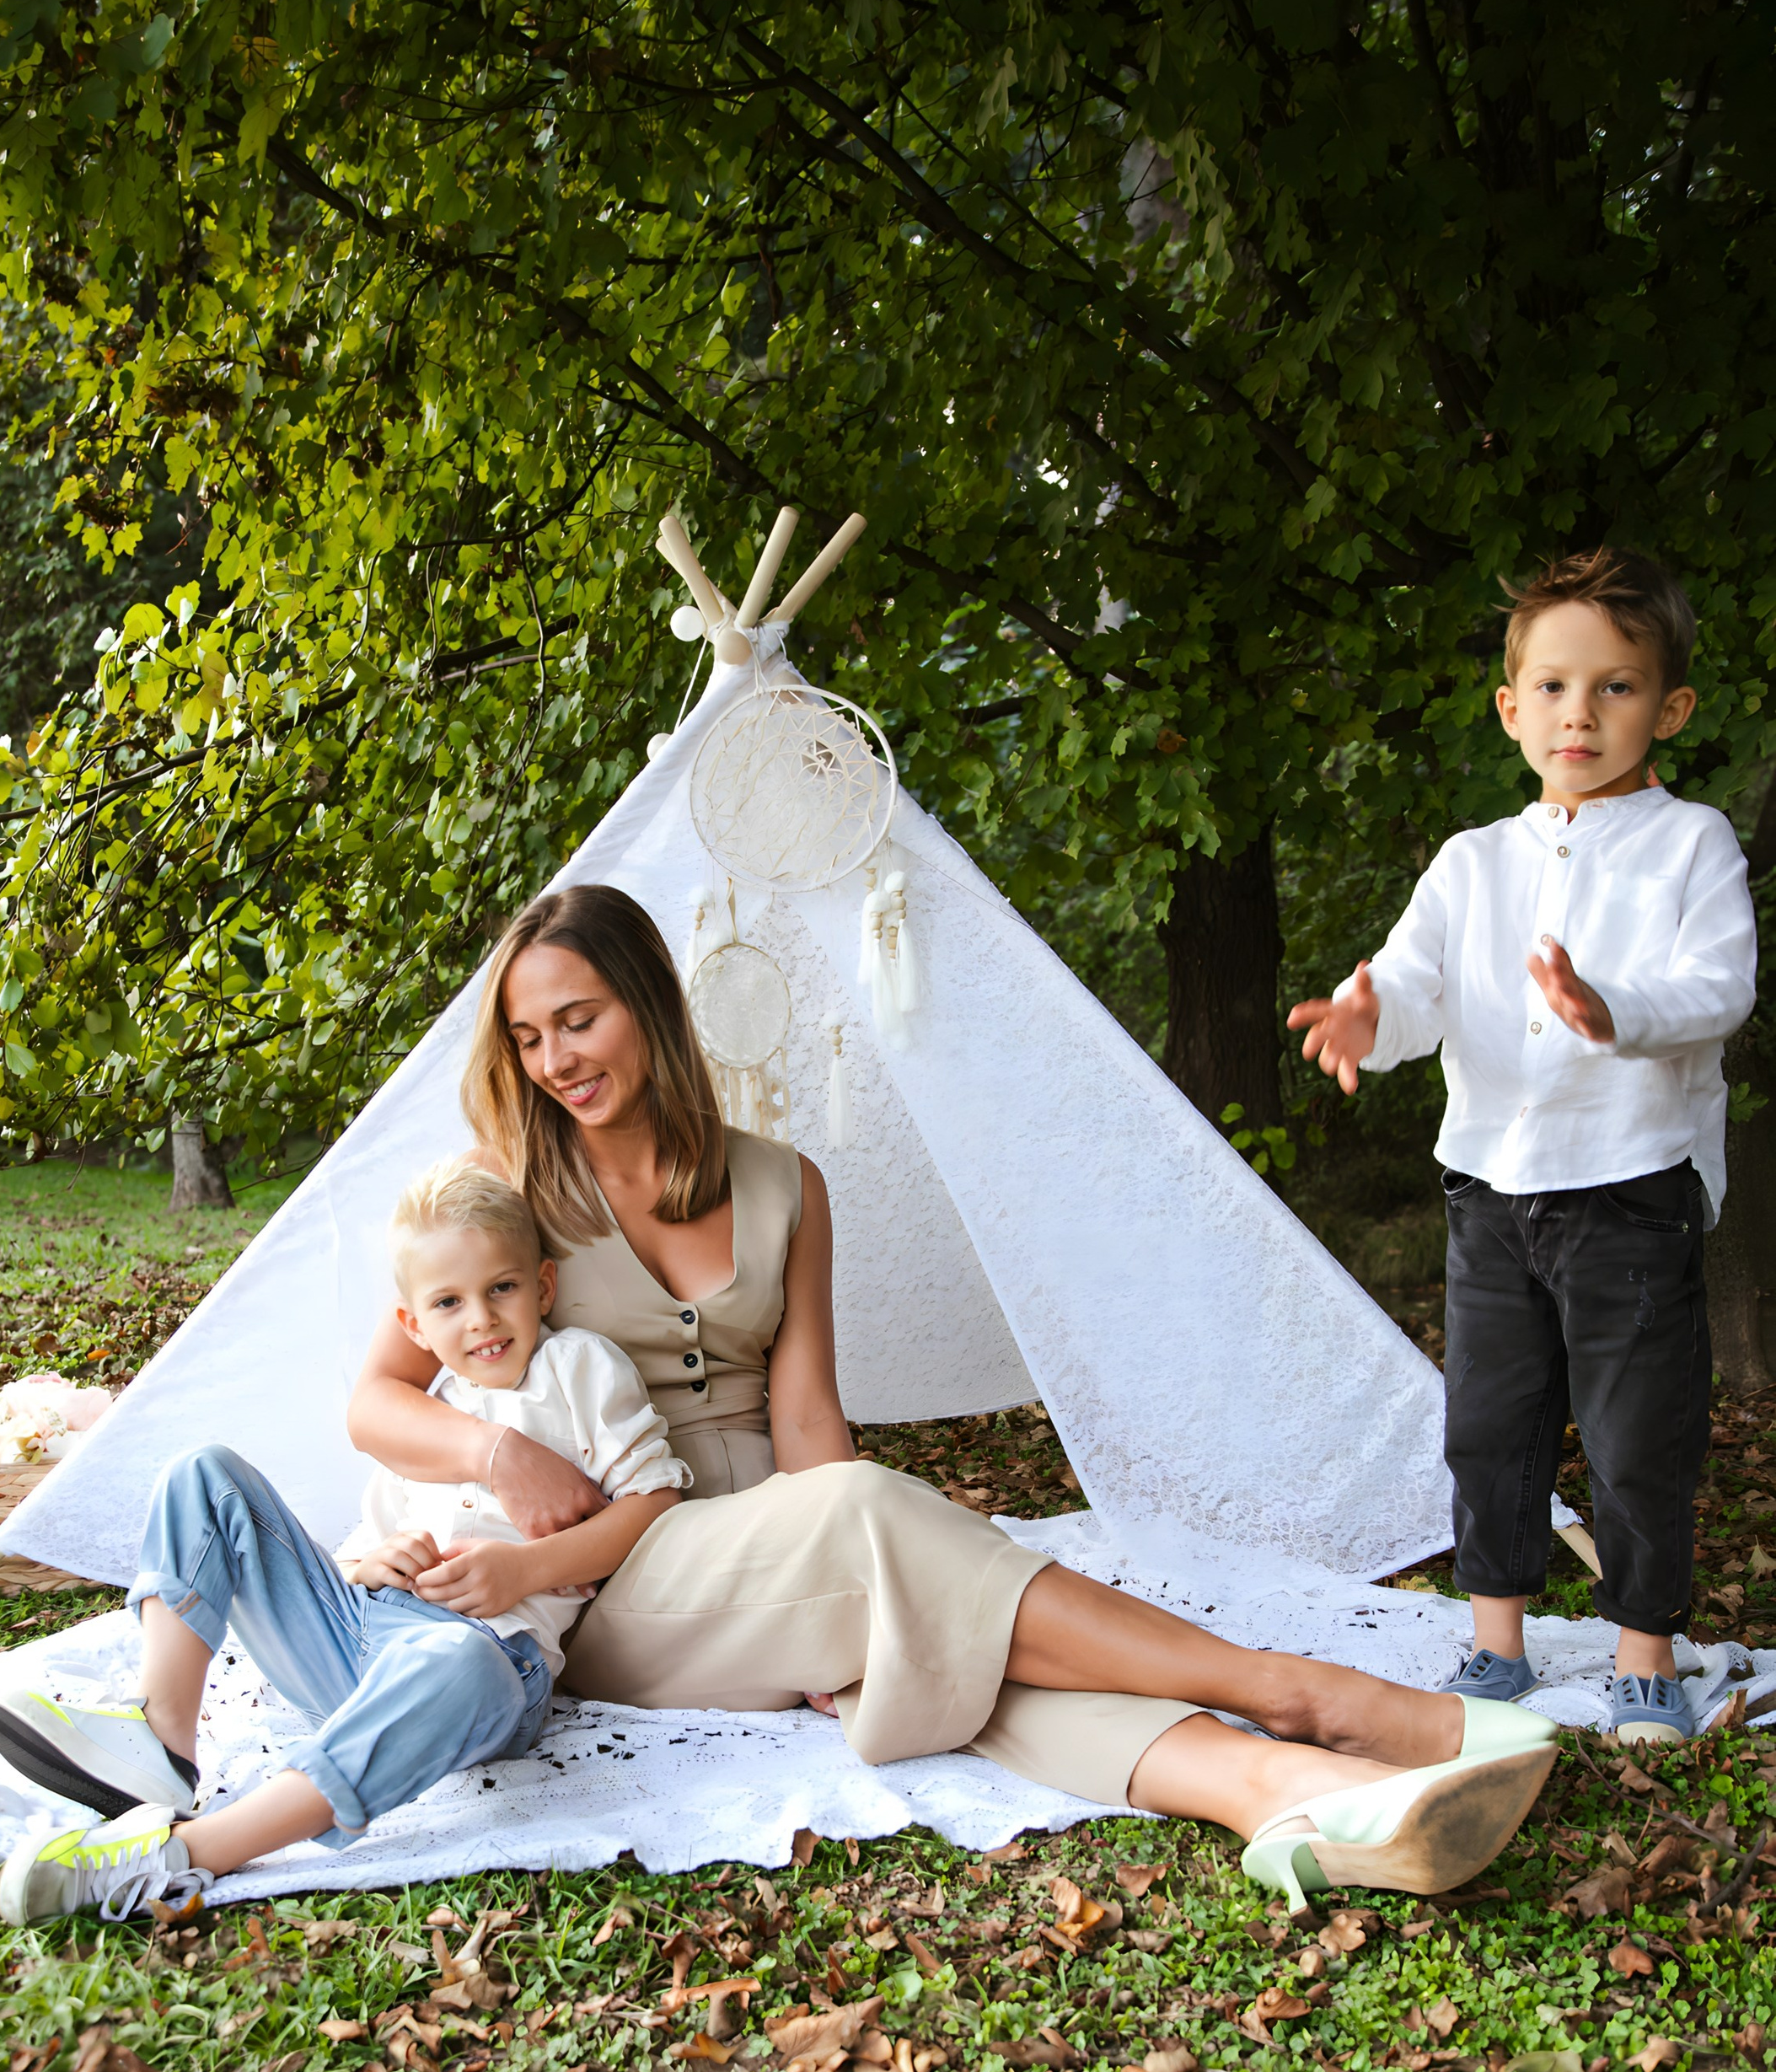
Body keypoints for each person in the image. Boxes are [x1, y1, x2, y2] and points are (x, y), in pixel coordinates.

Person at [347, 884, 1558, 1914]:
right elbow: (376, 1399)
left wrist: (830, 1601)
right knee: (879, 1533)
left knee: (935, 1632)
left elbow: (809, 1417)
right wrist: (496, 1460)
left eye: (580, 1019)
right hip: (618, 1582)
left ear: (649, 1006)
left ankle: (1267, 1794)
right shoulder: (505, 1197)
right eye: (529, 1037)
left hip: (785, 1543)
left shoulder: (786, 1185)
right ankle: (1299, 1693)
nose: (558, 1059)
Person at [1289, 545, 1756, 1748]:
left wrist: (1616, 1010)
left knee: (1637, 1431)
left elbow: (1720, 985)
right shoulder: (1472, 862)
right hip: (1491, 1195)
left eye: (1615, 686)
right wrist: (1368, 1018)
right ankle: (1495, 1641)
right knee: (1489, 1424)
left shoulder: (1691, 842)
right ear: (1511, 707)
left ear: (1670, 706)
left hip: (1632, 1190)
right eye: (1552, 687)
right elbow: (1412, 979)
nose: (1580, 713)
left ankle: (1645, 1654)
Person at [0, 1161, 688, 1921]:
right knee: (204, 1475)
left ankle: (183, 1853)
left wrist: (526, 1569)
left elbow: (657, 1500)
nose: (480, 1318)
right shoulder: (432, 1411)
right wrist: (368, 1564)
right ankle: (161, 1740)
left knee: (460, 1659)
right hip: (360, 1638)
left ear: (543, 1286)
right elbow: (364, 1543)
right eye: (449, 1302)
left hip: (487, 1665)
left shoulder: (578, 1367)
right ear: (413, 1326)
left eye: (502, 1288)